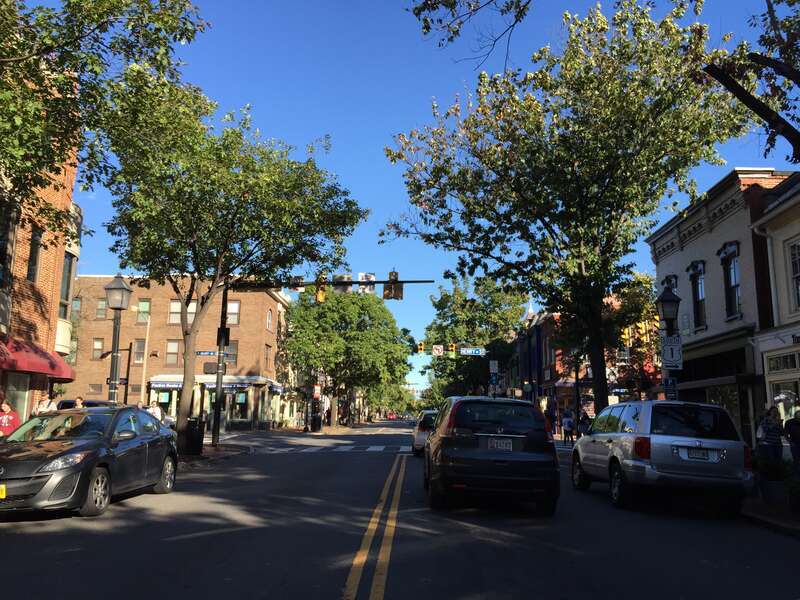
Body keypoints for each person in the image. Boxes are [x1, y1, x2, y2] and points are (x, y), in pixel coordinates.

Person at [757, 406, 784, 481]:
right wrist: (774, 424)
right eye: (774, 411)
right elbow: (765, 429)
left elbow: (781, 433)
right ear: (770, 412)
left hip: (778, 444)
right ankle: (771, 477)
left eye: (776, 411)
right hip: (769, 444)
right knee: (771, 461)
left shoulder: (778, 420)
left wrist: (780, 425)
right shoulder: (765, 420)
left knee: (778, 461)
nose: (775, 413)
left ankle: (778, 477)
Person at [784, 409, 800, 476]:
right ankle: (796, 475)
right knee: (796, 459)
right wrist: (790, 441)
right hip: (794, 443)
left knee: (797, 459)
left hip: (794, 443)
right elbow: (785, 433)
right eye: (798, 417)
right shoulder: (789, 422)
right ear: (795, 416)